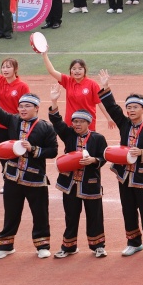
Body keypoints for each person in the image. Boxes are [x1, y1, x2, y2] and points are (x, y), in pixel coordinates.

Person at [99, 77, 143, 256]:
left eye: (135, 107)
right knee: (128, 209)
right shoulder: (124, 124)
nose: (131, 110)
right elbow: (113, 108)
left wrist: (142, 153)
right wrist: (106, 88)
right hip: (125, 176)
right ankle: (134, 242)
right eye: (129, 107)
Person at [0, 89, 57, 259]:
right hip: (12, 177)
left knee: (40, 214)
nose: (23, 109)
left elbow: (53, 151)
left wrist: (33, 149)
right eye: (21, 106)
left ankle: (42, 246)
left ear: (36, 108)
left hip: (35, 178)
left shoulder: (46, 127)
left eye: (27, 106)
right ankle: (6, 246)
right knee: (11, 213)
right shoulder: (12, 120)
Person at [47, 87, 108, 259]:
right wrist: (54, 101)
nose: (77, 124)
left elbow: (104, 157)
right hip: (70, 184)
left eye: (81, 121)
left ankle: (98, 246)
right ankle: (69, 247)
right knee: (71, 216)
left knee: (95, 216)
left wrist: (94, 160)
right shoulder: (68, 134)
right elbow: (56, 121)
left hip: (90, 184)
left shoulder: (98, 138)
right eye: (74, 121)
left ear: (88, 123)